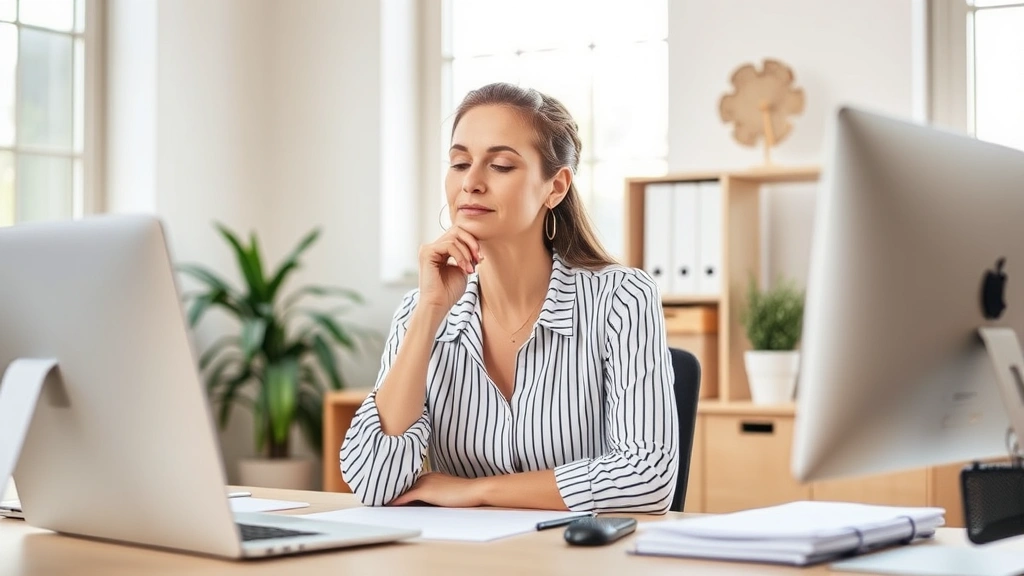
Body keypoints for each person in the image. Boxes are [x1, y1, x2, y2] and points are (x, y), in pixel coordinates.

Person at [340, 82, 679, 513]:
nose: (472, 183)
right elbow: (373, 481)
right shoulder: (420, 308)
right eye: (460, 162)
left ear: (555, 187)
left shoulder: (622, 299)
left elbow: (647, 476)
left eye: (500, 166)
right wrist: (428, 313)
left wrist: (477, 491)